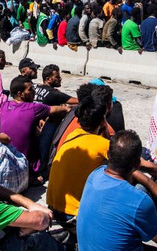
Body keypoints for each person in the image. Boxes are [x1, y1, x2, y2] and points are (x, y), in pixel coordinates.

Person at [46, 93, 110, 221]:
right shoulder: (103, 144)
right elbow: (128, 164)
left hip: (53, 206)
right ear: (103, 121)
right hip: (73, 214)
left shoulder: (73, 135)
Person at [0, 76, 69, 173]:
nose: (34, 92)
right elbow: (62, 110)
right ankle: (46, 164)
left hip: (8, 159)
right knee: (55, 117)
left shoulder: (5, 105)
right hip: (30, 166)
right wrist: (65, 108)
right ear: (20, 94)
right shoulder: (33, 108)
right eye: (30, 90)